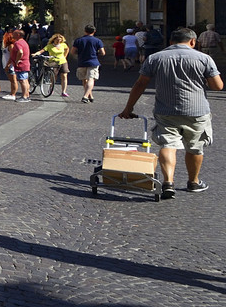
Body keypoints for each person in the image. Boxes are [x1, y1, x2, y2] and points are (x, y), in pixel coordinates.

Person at [119, 27, 223, 197]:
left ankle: (168, 182)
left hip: (166, 110)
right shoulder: (204, 58)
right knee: (195, 147)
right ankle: (193, 182)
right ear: (192, 42)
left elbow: (140, 84)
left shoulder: (155, 58)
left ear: (170, 42)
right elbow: (217, 86)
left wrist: (128, 108)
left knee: (168, 145)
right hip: (196, 111)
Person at [72, 24, 105, 103]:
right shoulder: (97, 41)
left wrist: (80, 52)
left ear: (85, 31)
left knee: (84, 79)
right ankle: (86, 96)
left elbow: (73, 52)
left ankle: (89, 95)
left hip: (82, 61)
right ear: (94, 31)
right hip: (93, 62)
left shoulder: (78, 40)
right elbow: (103, 52)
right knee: (91, 79)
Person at [35, 33, 70, 99]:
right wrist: (36, 54)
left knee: (64, 75)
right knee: (54, 76)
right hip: (53, 62)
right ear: (53, 40)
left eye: (60, 40)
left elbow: (67, 49)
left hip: (63, 61)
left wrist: (65, 56)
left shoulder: (63, 45)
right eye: (57, 40)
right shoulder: (49, 46)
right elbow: (42, 50)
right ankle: (51, 88)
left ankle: (63, 91)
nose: (58, 42)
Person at [6, 30, 32, 101]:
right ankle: (27, 95)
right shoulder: (24, 42)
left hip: (21, 64)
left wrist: (17, 60)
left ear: (18, 34)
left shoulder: (18, 43)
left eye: (14, 34)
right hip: (26, 63)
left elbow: (20, 52)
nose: (12, 35)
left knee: (22, 80)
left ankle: (24, 96)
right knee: (25, 80)